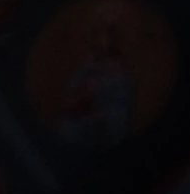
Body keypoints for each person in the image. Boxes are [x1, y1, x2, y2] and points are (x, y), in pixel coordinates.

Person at [56, 16, 136, 146]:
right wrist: (79, 98)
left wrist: (104, 114)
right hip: (83, 117)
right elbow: (70, 94)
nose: (103, 41)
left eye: (107, 36)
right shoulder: (87, 65)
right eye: (100, 36)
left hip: (109, 119)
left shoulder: (121, 70)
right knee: (68, 128)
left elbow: (123, 104)